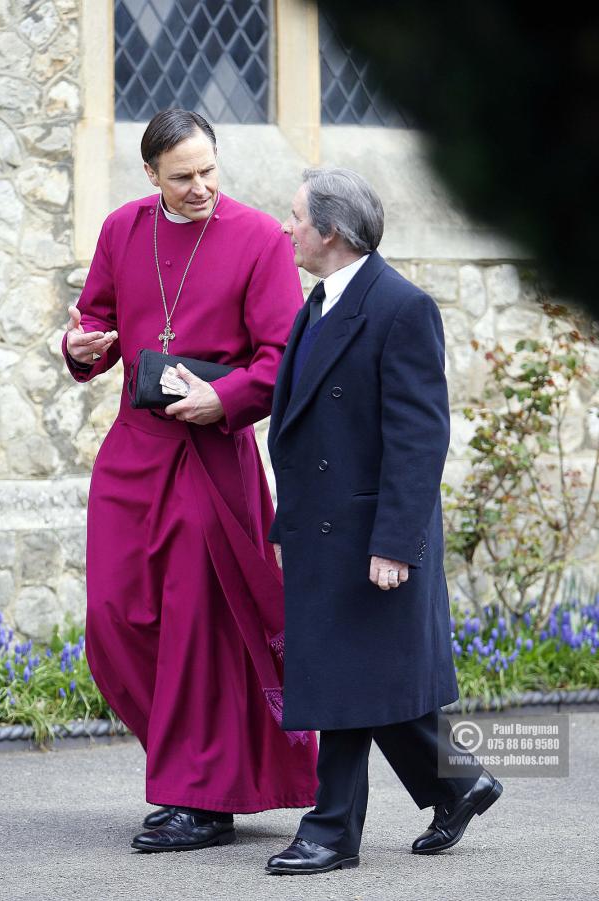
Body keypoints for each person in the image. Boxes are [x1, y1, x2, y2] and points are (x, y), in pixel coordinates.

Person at [62, 109, 318, 853]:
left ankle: (197, 798)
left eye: (209, 170)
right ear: (152, 177)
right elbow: (94, 326)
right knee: (113, 620)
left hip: (212, 457)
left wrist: (225, 399)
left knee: (199, 630)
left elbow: (282, 358)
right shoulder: (121, 228)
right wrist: (79, 345)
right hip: (133, 455)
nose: (202, 186)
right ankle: (195, 765)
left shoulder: (259, 240)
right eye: (183, 176)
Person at [264, 168, 502, 875]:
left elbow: (419, 437)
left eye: (297, 217)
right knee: (365, 674)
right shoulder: (321, 303)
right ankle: (458, 783)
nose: (288, 228)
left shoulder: (401, 307)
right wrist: (288, 525)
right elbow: (303, 433)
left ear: (332, 232)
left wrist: (397, 541)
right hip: (322, 528)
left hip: (370, 534)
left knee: (344, 676)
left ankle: (332, 830)